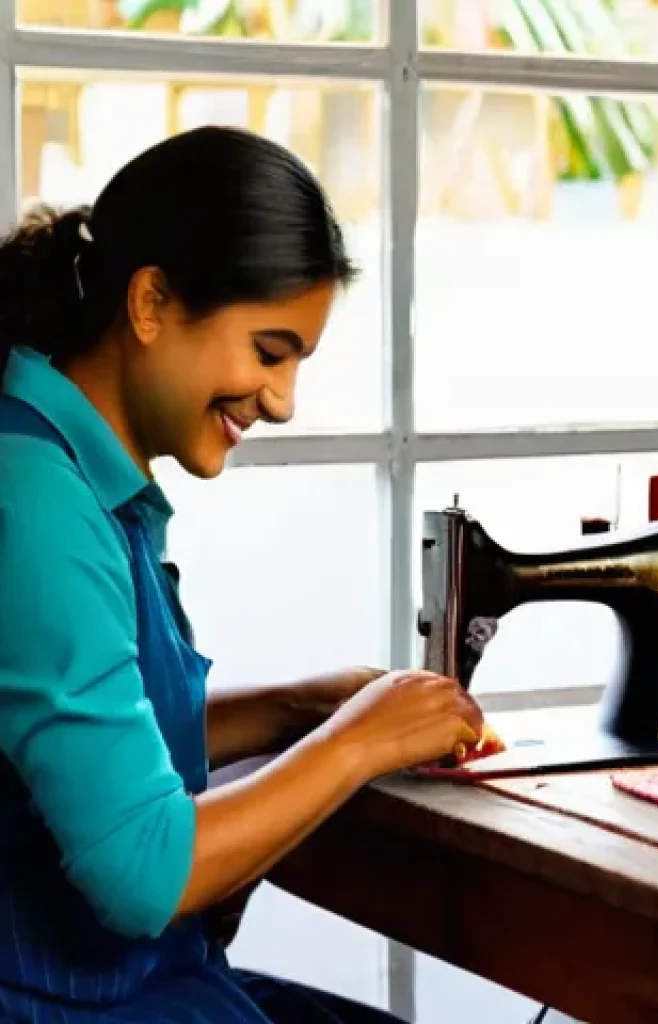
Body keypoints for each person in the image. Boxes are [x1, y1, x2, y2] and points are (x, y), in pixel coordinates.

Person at [0, 125, 488, 1023]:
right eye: (269, 352)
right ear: (151, 305)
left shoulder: (80, 472)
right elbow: (141, 871)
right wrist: (357, 744)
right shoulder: (34, 501)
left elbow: (81, 741)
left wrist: (299, 706)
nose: (282, 400)